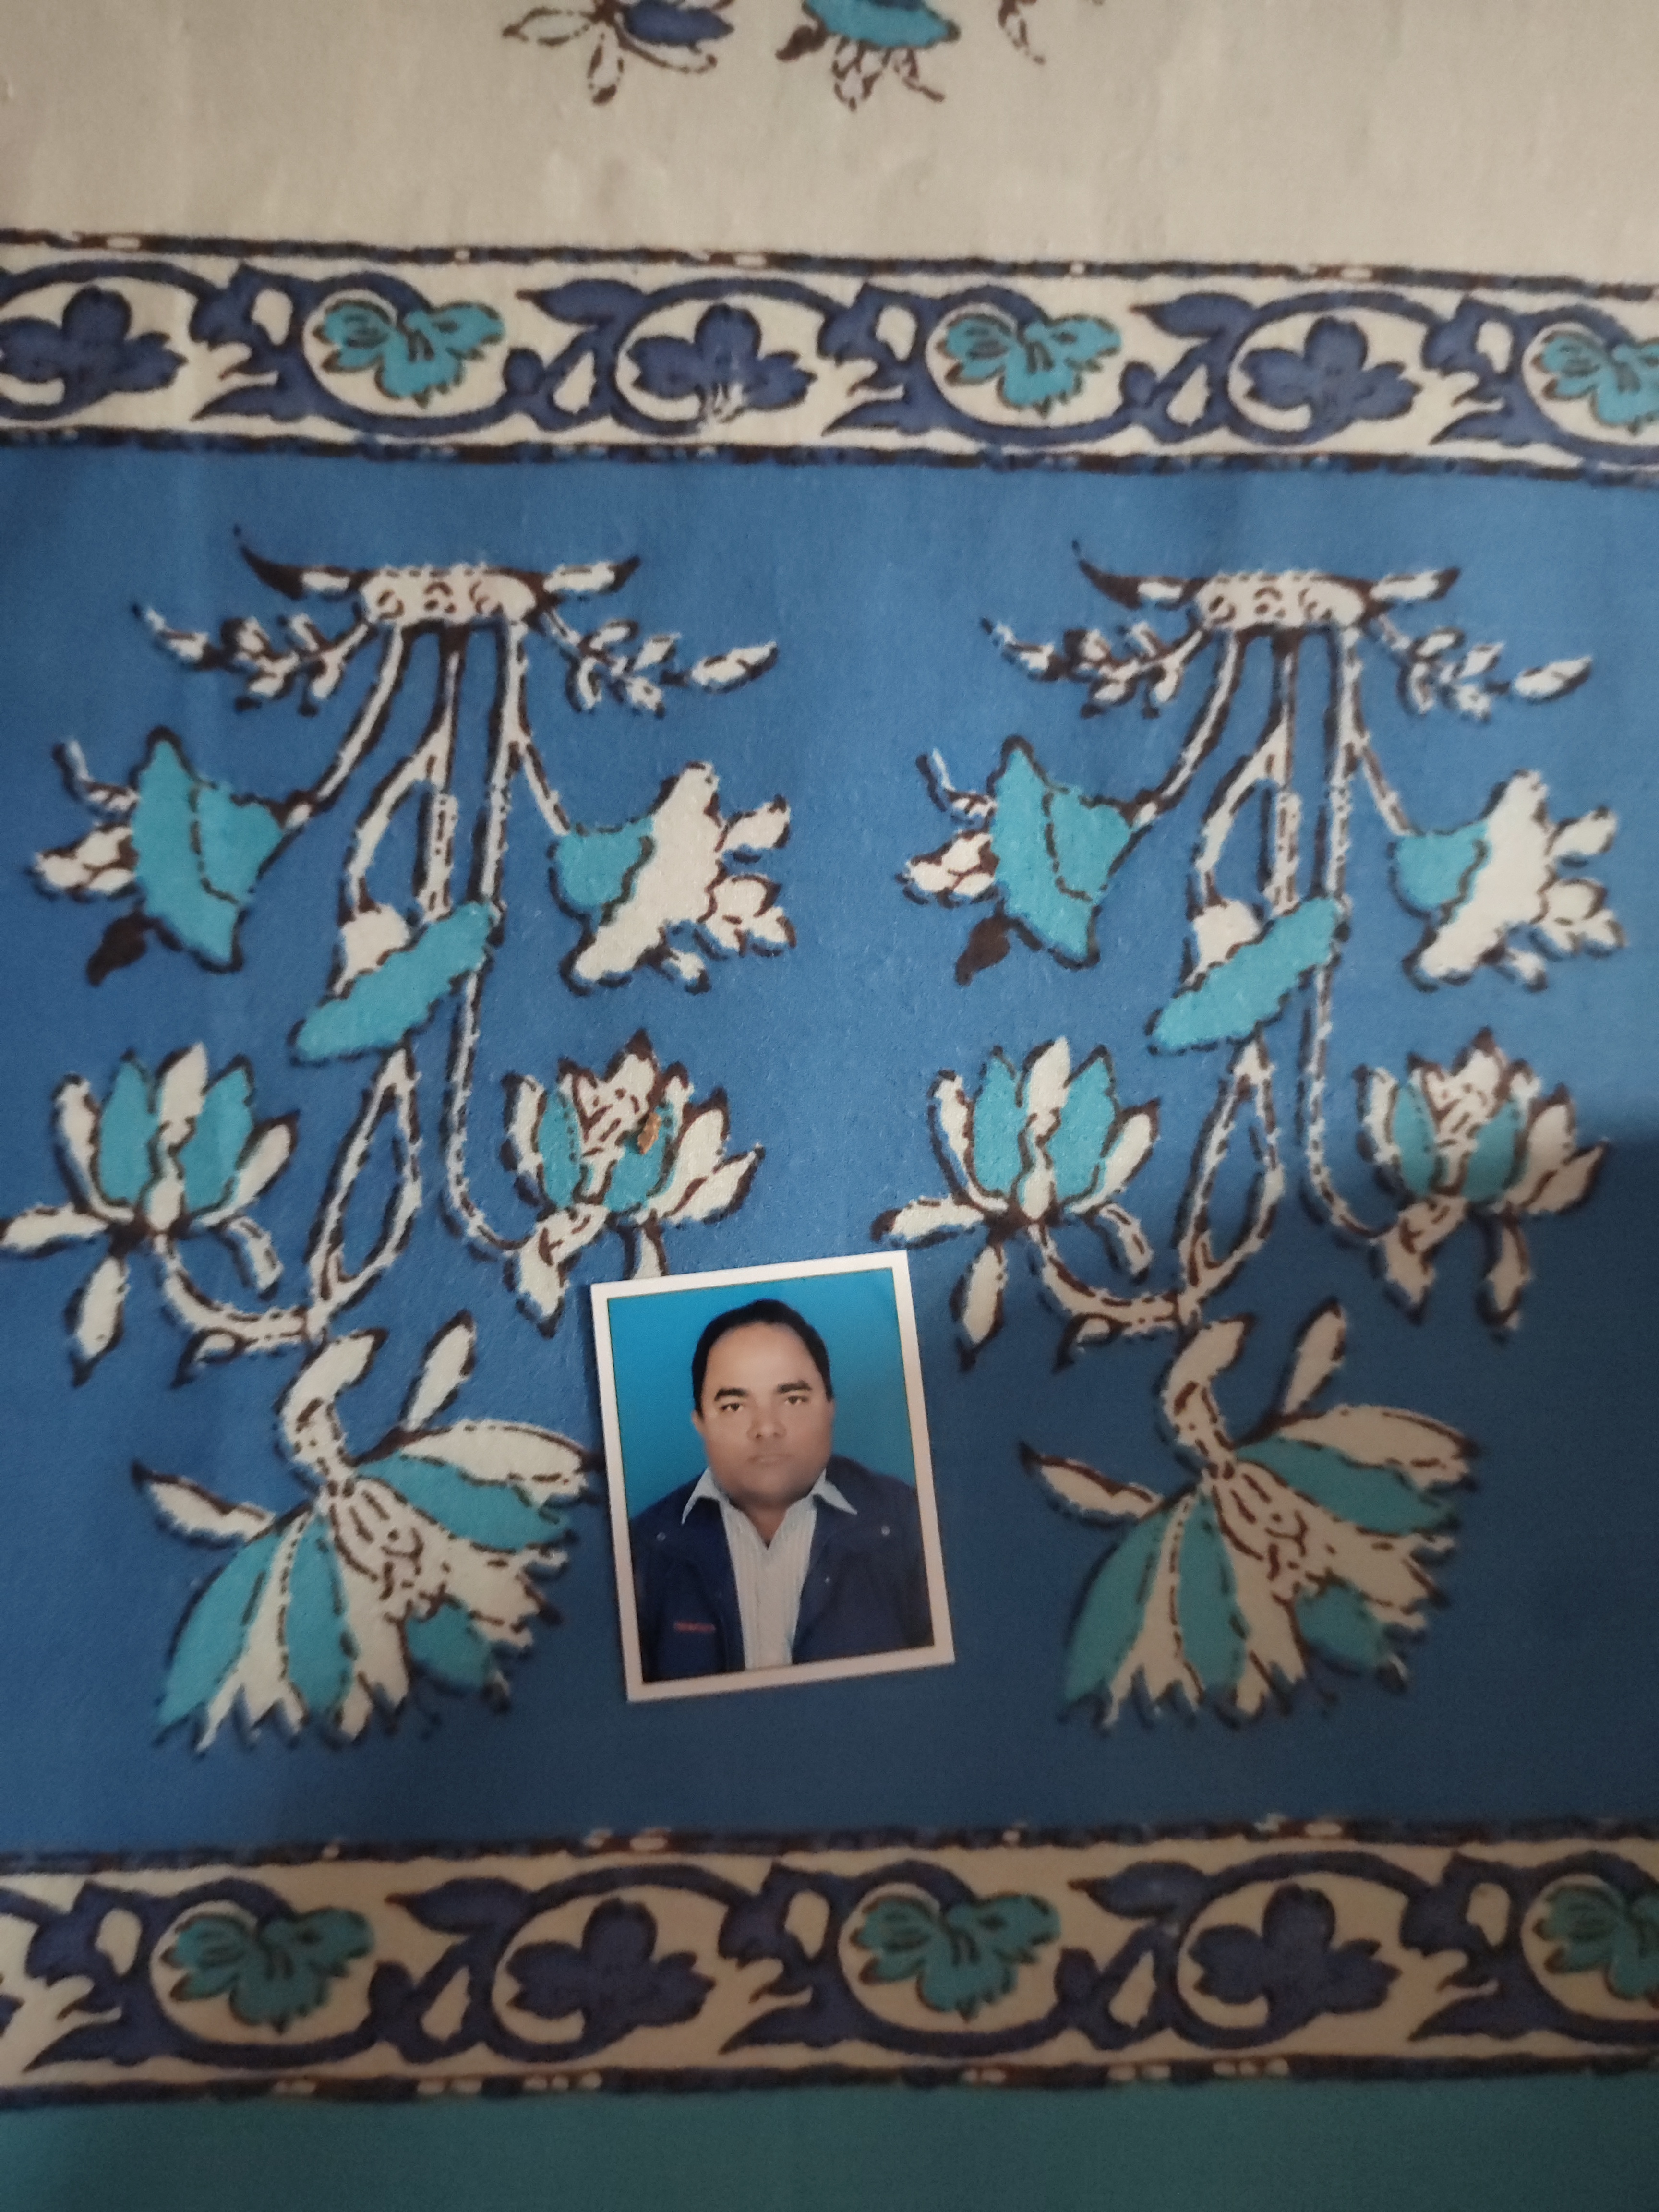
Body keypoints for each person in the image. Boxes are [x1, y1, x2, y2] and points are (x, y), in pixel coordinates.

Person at [629, 1298, 933, 1683]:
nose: (767, 1428)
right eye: (735, 1406)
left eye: (792, 1399)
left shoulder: (912, 1525)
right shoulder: (643, 1549)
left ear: (831, 1407)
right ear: (700, 1422)